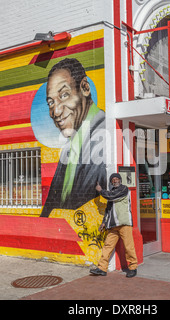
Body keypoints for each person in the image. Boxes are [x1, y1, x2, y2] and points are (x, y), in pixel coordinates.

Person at [40, 58, 107, 217]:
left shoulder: (104, 136)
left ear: (85, 88)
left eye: (64, 95)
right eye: (50, 102)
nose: (55, 112)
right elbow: (51, 207)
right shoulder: (70, 146)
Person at [90, 173, 138, 277]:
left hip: (124, 223)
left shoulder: (123, 189)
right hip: (113, 225)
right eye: (113, 179)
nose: (115, 180)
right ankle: (102, 268)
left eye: (117, 179)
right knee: (108, 246)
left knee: (128, 246)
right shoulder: (111, 193)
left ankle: (133, 267)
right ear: (111, 182)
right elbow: (108, 210)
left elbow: (111, 196)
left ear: (120, 180)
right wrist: (104, 222)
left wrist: (100, 190)